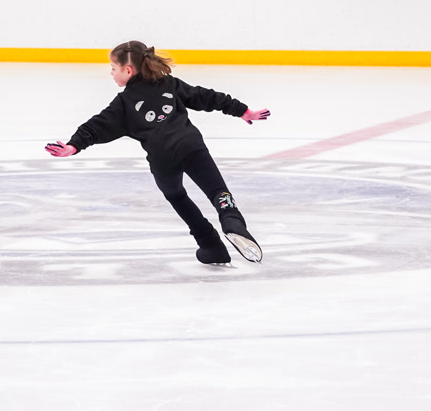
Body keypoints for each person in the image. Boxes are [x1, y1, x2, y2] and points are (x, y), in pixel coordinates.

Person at [45, 40, 270, 265]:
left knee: (176, 196)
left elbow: (97, 126)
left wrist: (73, 146)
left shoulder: (123, 103)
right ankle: (232, 221)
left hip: (163, 158)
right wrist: (243, 111)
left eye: (113, 68)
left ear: (128, 70)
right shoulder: (168, 84)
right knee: (217, 190)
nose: (111, 73)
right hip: (191, 144)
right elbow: (205, 96)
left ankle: (211, 245)